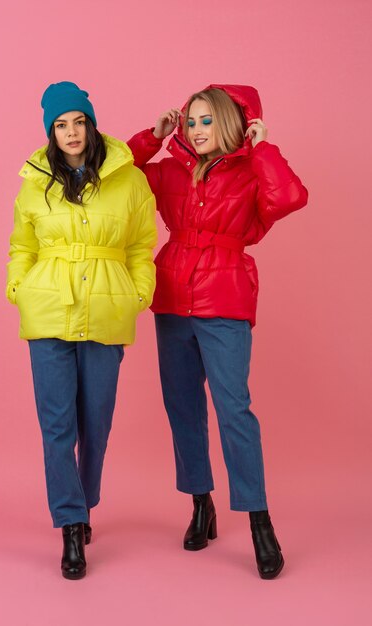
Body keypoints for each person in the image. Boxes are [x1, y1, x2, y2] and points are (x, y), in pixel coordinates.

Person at [128, 84, 308, 579]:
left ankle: (259, 521)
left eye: (208, 121)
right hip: (172, 295)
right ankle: (200, 503)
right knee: (182, 405)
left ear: (231, 123)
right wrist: (152, 137)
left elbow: (290, 197)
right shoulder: (169, 171)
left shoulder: (252, 172)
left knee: (234, 409)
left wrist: (263, 146)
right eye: (190, 121)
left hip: (225, 296)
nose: (196, 130)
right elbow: (115, 173)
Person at [6, 81, 157, 580]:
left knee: (97, 419)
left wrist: (138, 294)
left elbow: (141, 246)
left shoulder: (129, 180)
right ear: (51, 131)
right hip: (47, 308)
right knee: (57, 424)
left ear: (92, 124)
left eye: (78, 121)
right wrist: (19, 287)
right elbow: (21, 246)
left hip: (107, 308)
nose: (71, 132)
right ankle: (71, 525)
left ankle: (84, 501)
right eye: (60, 124)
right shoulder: (34, 182)